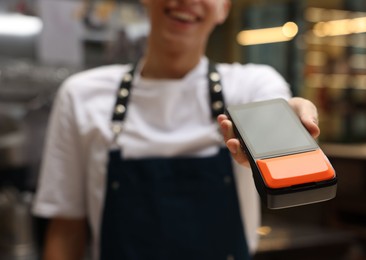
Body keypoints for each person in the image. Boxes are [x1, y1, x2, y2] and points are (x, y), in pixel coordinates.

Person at [32, 0, 320, 260]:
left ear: (224, 9)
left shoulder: (250, 85)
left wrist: (283, 124)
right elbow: (67, 227)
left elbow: (272, 106)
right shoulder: (81, 95)